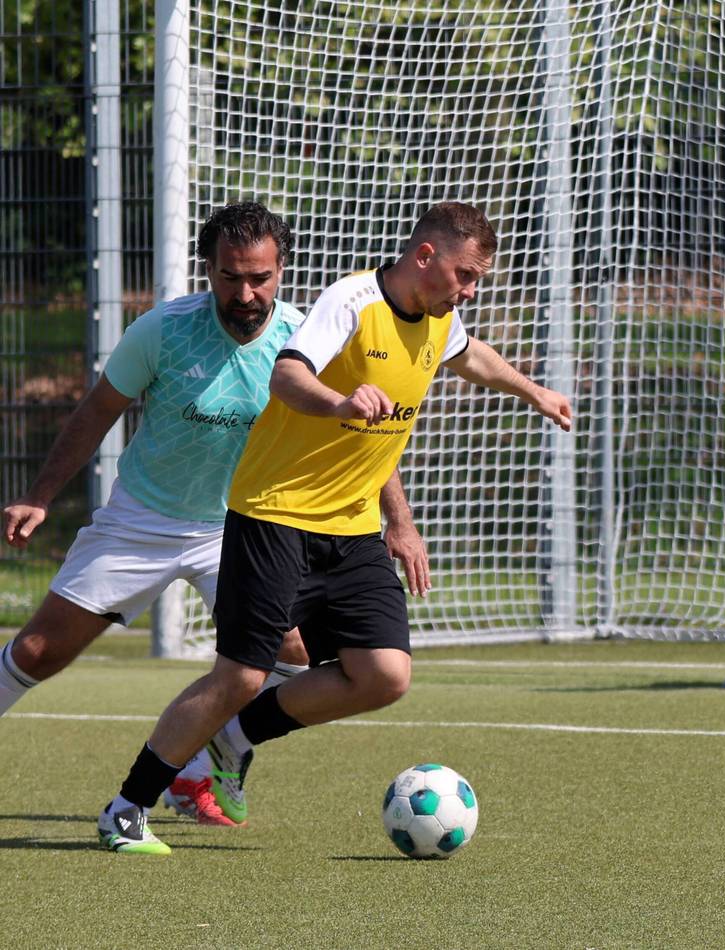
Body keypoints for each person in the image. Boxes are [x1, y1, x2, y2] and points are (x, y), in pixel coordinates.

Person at [96, 201, 573, 854]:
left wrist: (534, 392)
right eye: (465, 276)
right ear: (425, 257)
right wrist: (340, 402)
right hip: (274, 512)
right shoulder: (352, 302)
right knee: (239, 675)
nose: (469, 291)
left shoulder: (440, 319)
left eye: (476, 281)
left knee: (383, 674)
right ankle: (127, 806)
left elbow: (472, 358)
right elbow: (288, 374)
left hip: (350, 528)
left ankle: (233, 739)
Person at [0, 201, 428, 826]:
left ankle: (205, 765)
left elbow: (360, 432)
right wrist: (39, 495)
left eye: (259, 277)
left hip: (243, 527)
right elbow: (96, 411)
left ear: (283, 271)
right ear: (209, 269)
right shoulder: (163, 330)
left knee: (294, 658)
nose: (245, 292)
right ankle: (195, 764)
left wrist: (400, 520)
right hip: (144, 519)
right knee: (39, 651)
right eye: (230, 276)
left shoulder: (313, 336)